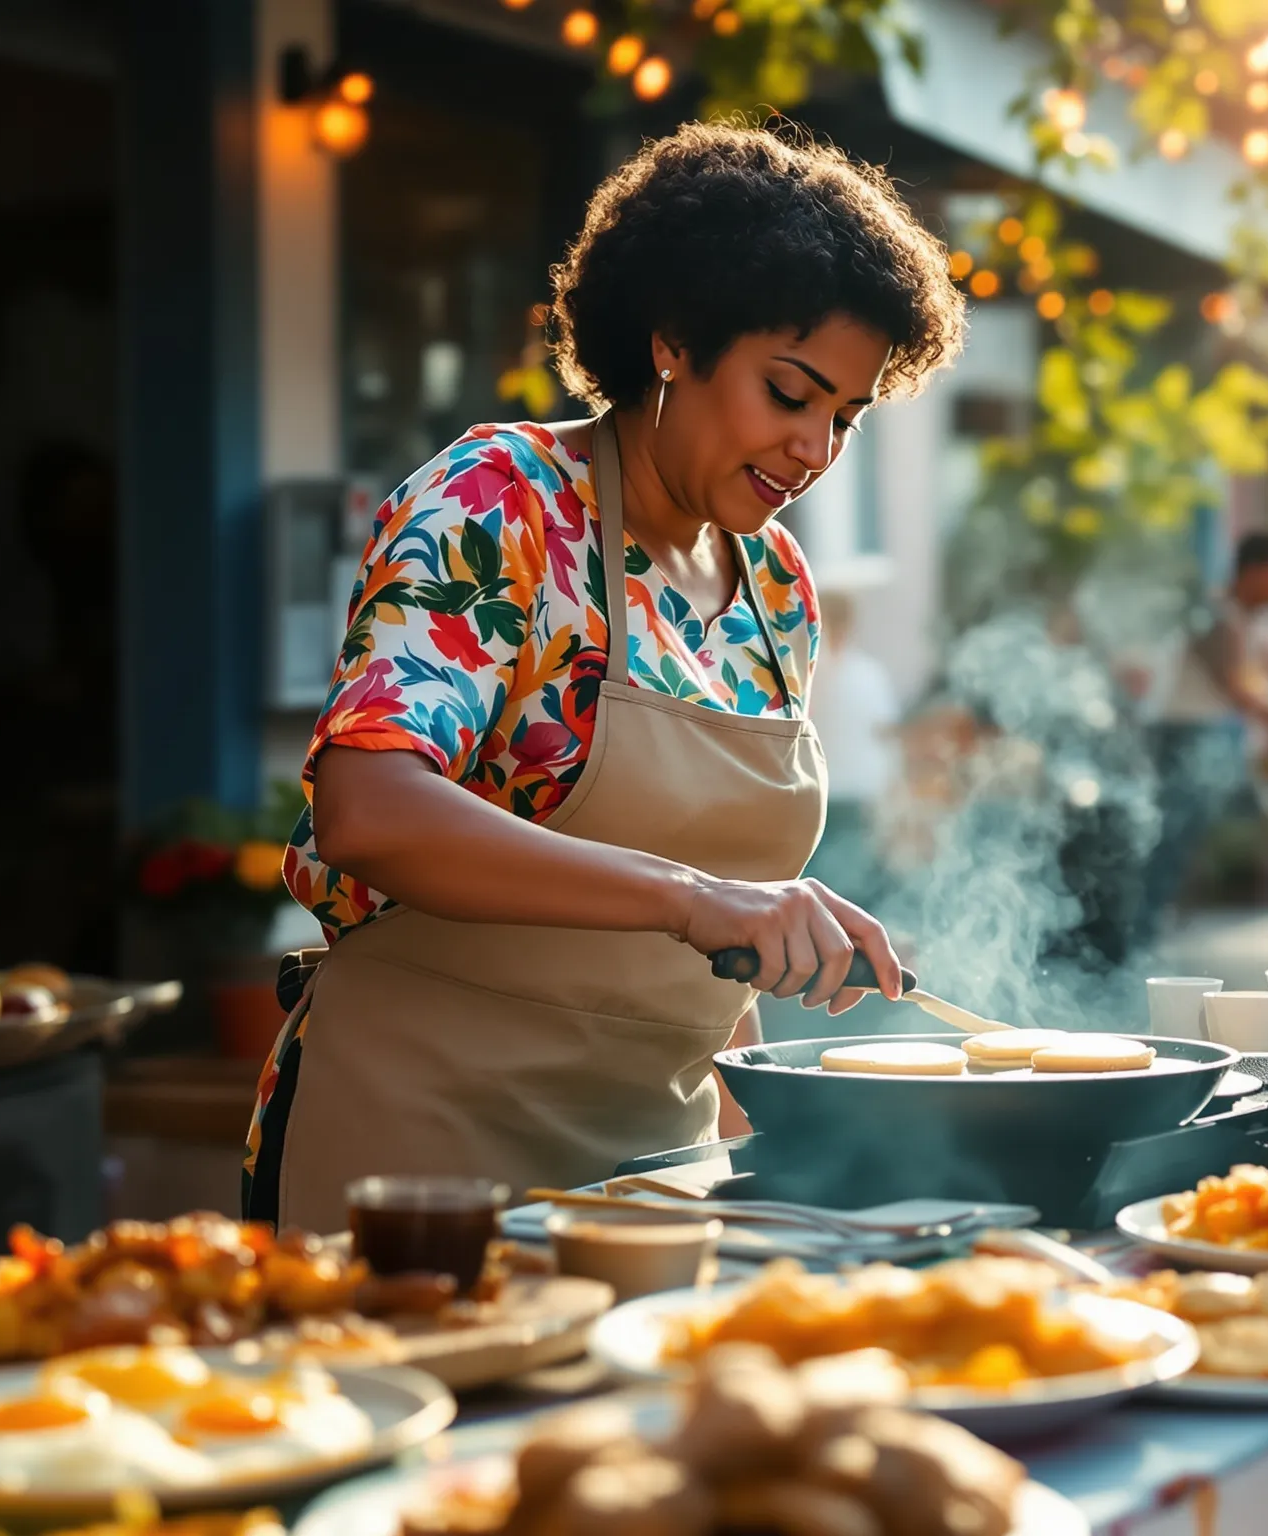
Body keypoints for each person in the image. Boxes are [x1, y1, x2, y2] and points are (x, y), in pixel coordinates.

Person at [242, 124, 966, 1229]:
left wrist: (760, 1161)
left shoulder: (774, 587)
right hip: (421, 1154)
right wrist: (694, 898)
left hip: (654, 1179)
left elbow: (724, 954)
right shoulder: (502, 502)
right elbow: (365, 805)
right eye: (790, 393)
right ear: (672, 342)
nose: (816, 449)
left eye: (845, 417)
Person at [1140, 530, 1268, 935]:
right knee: (1173, 841)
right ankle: (1144, 929)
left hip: (1211, 737)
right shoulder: (1216, 617)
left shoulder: (1248, 619)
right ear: (1254, 572)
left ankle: (1157, 923)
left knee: (1190, 840)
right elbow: (1240, 690)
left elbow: (1259, 677)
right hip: (1185, 736)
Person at [805, 589, 901, 908]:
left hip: (831, 796)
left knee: (827, 887)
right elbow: (886, 733)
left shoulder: (811, 672)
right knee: (846, 890)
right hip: (839, 797)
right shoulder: (861, 673)